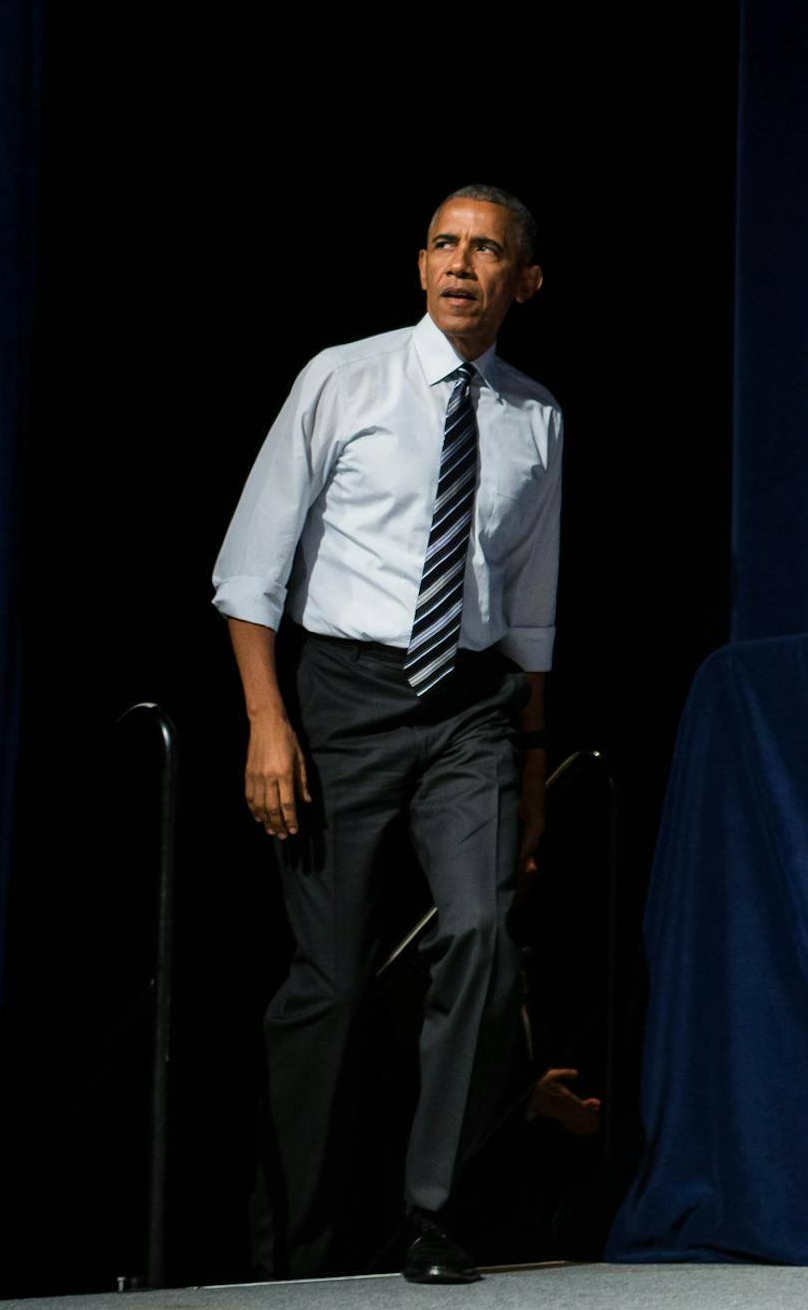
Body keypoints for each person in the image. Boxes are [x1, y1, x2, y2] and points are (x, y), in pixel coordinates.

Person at [211, 184, 560, 1285]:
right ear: (420, 266)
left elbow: (532, 612)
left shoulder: (535, 420)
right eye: (446, 245)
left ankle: (432, 1216)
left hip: (470, 707)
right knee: (334, 983)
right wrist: (269, 722)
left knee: (482, 935)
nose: (462, 265)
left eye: (487, 250)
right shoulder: (342, 375)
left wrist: (534, 767)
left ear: (525, 281)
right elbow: (249, 569)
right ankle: (295, 1252)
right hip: (345, 700)